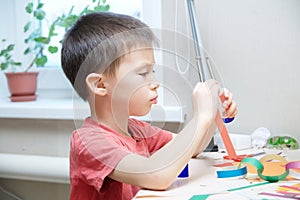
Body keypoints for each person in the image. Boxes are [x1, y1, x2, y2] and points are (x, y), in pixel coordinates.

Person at [61, 12, 237, 200]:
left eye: (152, 71)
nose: (155, 82)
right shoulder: (89, 143)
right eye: (144, 73)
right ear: (100, 85)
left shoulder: (137, 130)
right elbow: (156, 175)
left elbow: (192, 148)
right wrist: (200, 118)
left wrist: (211, 114)